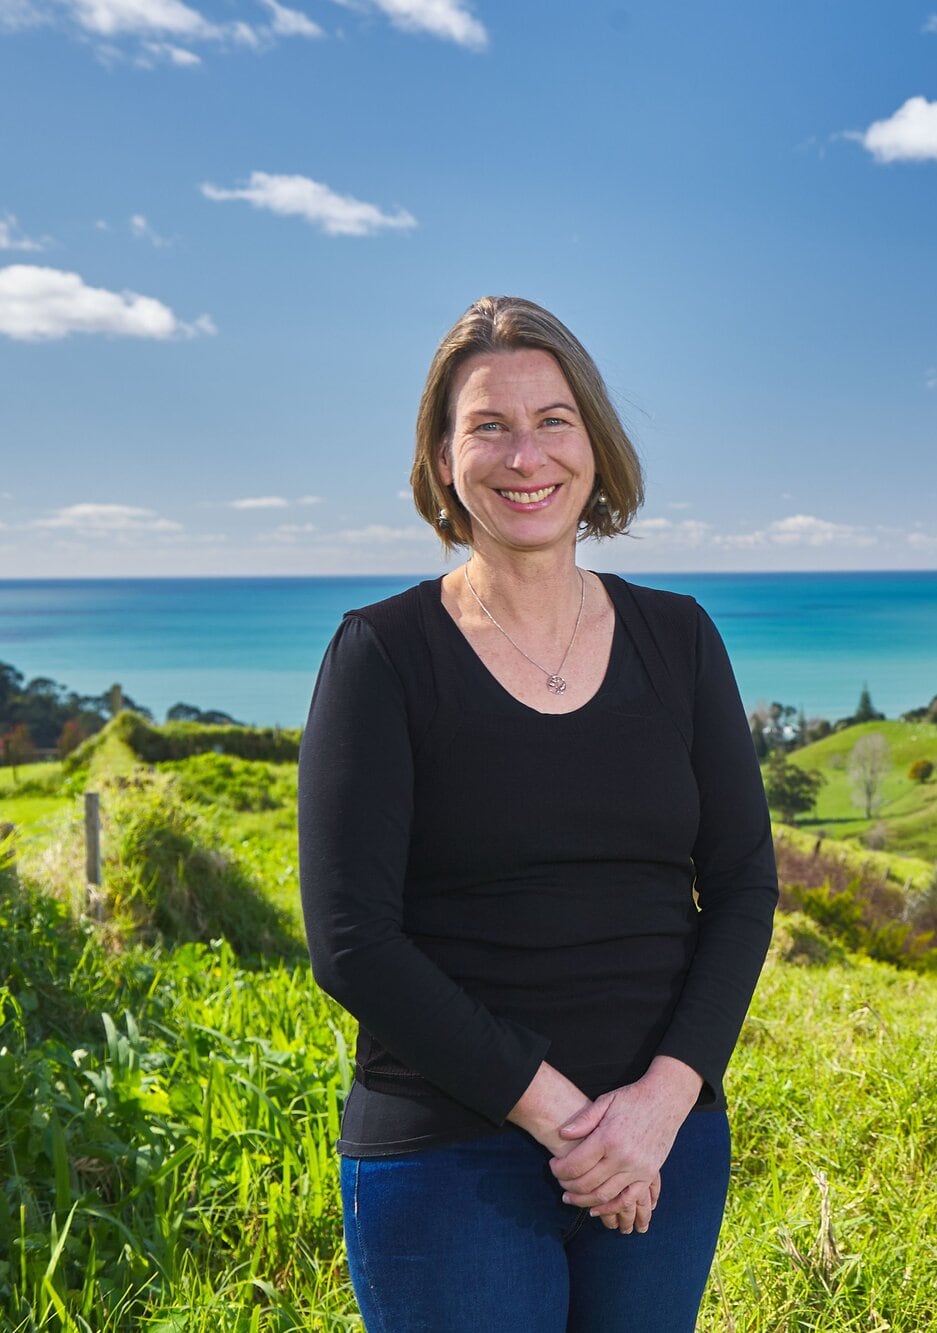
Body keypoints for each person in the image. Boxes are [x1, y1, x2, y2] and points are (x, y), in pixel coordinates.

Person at [298, 295, 778, 1331]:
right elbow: (350, 941)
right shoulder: (381, 656)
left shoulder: (680, 639)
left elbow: (742, 886)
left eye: (553, 419)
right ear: (440, 461)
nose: (526, 455)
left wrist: (658, 1105)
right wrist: (563, 1117)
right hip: (446, 1156)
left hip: (664, 1144)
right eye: (488, 426)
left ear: (594, 446)